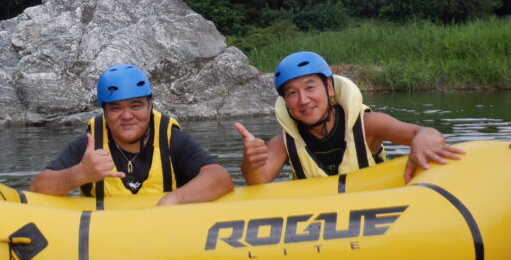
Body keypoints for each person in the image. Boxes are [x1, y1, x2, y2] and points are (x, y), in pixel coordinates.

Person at [235, 51, 465, 185]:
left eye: (310, 87)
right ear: (286, 102)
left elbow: (424, 133)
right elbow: (258, 181)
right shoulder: (283, 143)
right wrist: (250, 162)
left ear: (329, 88)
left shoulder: (368, 125)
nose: (303, 100)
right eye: (292, 93)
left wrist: (422, 139)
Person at [29, 63, 234, 205]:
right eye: (116, 108)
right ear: (105, 112)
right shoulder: (89, 145)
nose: (127, 116)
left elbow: (220, 177)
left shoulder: (172, 140)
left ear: (149, 106)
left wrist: (173, 200)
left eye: (135, 106)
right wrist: (80, 174)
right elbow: (38, 188)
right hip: (107, 238)